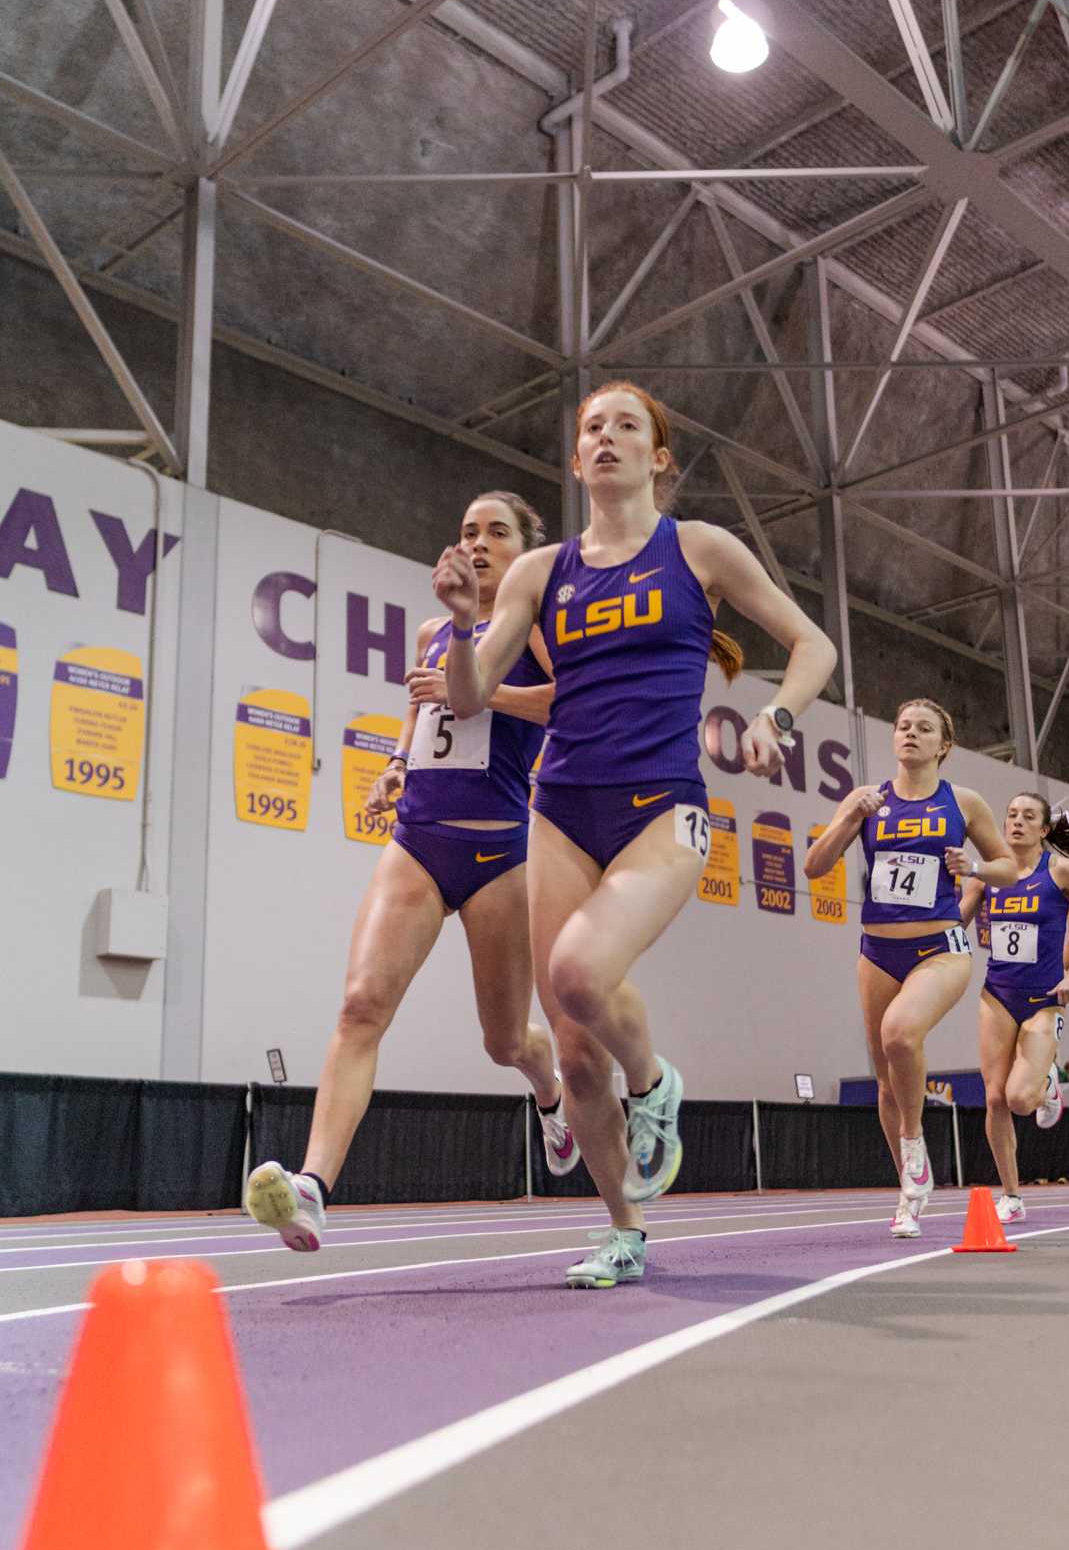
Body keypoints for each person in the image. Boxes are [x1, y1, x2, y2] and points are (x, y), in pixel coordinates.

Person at [435, 381, 836, 1287]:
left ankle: (654, 1084)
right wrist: (464, 626)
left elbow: (813, 645)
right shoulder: (540, 574)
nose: (605, 438)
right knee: (571, 1040)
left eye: (626, 427)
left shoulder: (697, 549)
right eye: (590, 429)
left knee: (577, 974)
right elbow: (467, 696)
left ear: (658, 459)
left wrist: (774, 718)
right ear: (576, 461)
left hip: (663, 807)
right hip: (561, 807)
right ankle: (623, 1227)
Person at [244, 491, 577, 1253]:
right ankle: (313, 1187)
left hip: (498, 853)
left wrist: (486, 689)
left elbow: (568, 705)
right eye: (467, 531)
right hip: (419, 837)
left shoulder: (539, 626)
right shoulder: (434, 629)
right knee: (361, 1005)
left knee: (502, 1042)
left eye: (498, 531)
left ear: (527, 548)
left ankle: (548, 1088)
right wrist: (394, 764)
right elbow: (422, 707)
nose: (479, 542)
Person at [803, 699, 1018, 1239]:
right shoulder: (867, 799)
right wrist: (852, 816)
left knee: (899, 1034)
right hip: (877, 951)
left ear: (943, 745)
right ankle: (909, 1192)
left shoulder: (962, 802)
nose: (910, 734)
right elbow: (814, 866)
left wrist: (975, 867)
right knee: (883, 1082)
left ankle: (914, 1140)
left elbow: (1010, 869)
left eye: (924, 729)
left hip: (941, 947)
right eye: (902, 726)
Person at [958, 793, 1069, 1225]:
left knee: (1019, 1099)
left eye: (1028, 817)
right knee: (994, 1099)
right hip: (997, 994)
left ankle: (1047, 1080)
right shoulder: (987, 872)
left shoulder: (1060, 870)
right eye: (1010, 814)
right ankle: (1011, 1195)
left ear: (1044, 829)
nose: (1016, 822)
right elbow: (955, 923)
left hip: (1043, 1001)